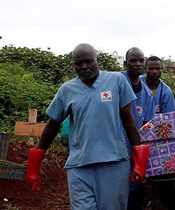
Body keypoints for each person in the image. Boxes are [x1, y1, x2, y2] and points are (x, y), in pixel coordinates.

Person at [25, 43, 149, 210]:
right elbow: (52, 126)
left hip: (114, 163)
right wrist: (34, 165)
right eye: (78, 63)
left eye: (89, 61)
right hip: (79, 165)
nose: (84, 67)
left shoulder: (116, 81)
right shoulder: (67, 89)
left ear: (98, 60)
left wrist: (139, 161)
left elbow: (129, 121)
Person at [123, 47, 156, 210]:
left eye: (140, 60)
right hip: (115, 150)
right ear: (125, 63)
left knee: (135, 191)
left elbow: (148, 126)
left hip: (134, 151)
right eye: (133, 60)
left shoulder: (147, 95)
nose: (137, 64)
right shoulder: (117, 83)